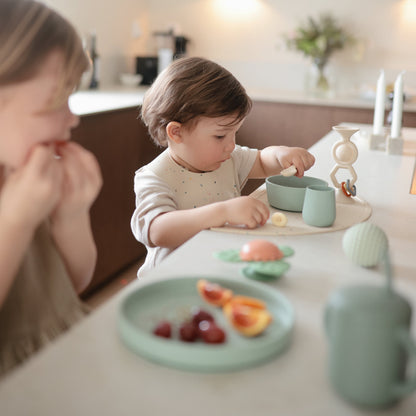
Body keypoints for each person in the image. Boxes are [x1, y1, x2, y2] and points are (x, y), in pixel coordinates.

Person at [131, 57, 315, 277]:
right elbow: (157, 230)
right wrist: (224, 211)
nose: (231, 144)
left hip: (220, 270)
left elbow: (262, 162)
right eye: (220, 136)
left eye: (234, 133)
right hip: (172, 280)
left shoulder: (228, 158)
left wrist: (280, 154)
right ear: (176, 132)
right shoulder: (155, 177)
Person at [0, 0, 102, 376]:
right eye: (56, 102)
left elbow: (69, 288)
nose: (72, 118)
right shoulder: (19, 202)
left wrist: (72, 217)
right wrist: (13, 223)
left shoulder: (24, 179)